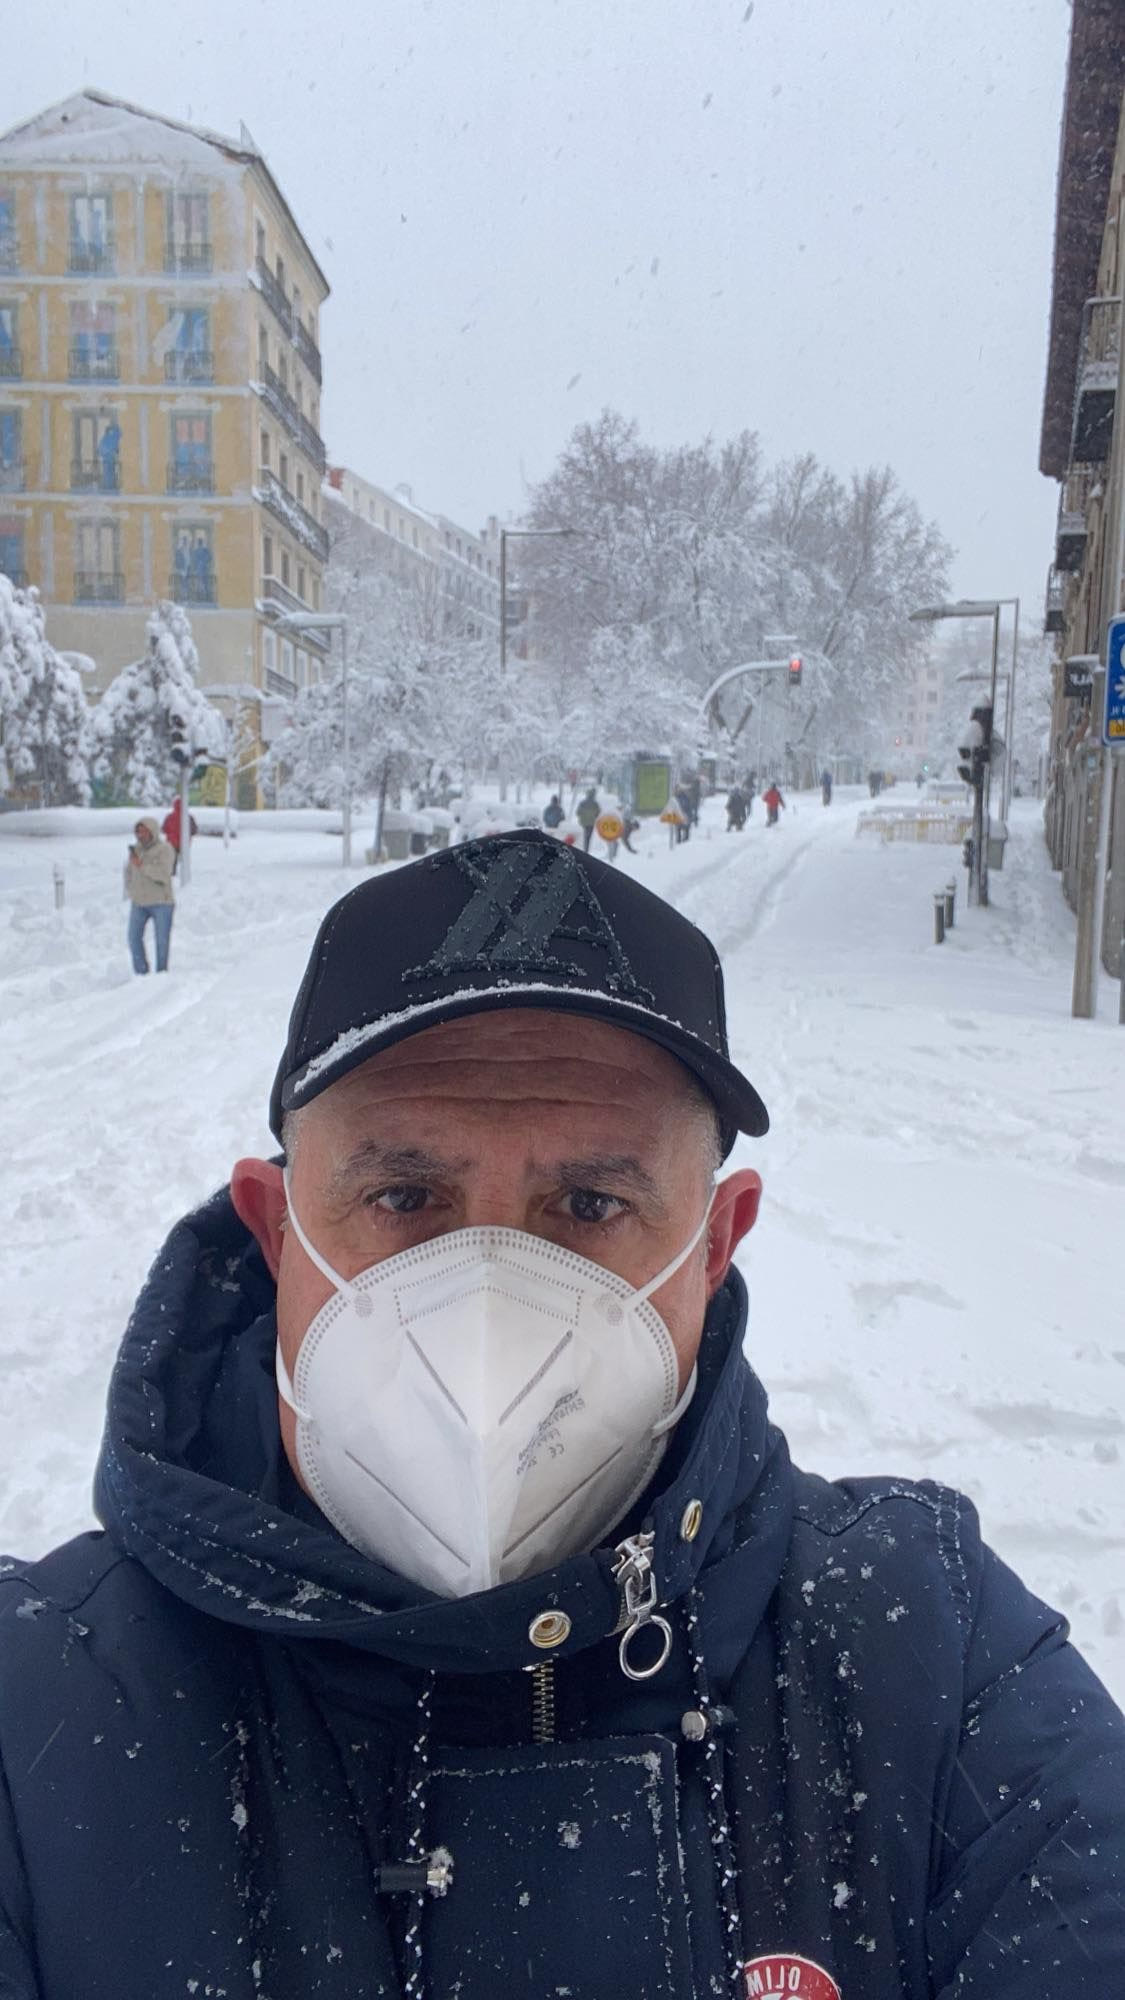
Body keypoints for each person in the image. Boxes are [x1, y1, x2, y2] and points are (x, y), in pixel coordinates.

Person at [1, 829, 1123, 1996]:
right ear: (277, 1230)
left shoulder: (931, 1659)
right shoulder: (36, 1716)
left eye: (589, 1203)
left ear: (715, 1244)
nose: (487, 1302)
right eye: (404, 1195)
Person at [123, 814, 175, 973]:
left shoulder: (164, 849)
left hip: (161, 902)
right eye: (138, 832)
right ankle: (141, 972)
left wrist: (142, 866)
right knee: (133, 938)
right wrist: (130, 889)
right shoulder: (136, 850)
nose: (141, 835)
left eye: (144, 831)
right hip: (139, 902)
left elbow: (164, 874)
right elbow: (129, 872)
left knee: (161, 941)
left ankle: (161, 972)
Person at [162, 793, 199, 862]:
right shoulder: (189, 817)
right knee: (185, 861)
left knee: (172, 860)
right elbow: (194, 830)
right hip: (185, 843)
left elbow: (164, 829)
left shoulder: (169, 817)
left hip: (172, 843)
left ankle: (173, 868)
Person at [575, 785, 600, 852]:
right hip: (591, 822)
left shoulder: (582, 803)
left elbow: (578, 812)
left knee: (585, 835)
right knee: (588, 836)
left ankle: (585, 849)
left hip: (583, 822)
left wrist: (583, 815)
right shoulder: (595, 804)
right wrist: (593, 816)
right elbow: (598, 812)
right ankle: (586, 849)